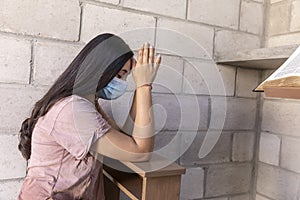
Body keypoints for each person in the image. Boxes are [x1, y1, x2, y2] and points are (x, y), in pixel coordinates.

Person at [17, 33, 161, 200]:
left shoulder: (89, 104)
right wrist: (145, 86)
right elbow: (140, 152)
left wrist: (139, 87)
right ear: (99, 69)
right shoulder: (73, 110)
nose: (122, 83)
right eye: (120, 75)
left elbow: (127, 139)